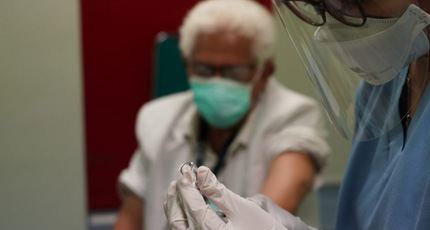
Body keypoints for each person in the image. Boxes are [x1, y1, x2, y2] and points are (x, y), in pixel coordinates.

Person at [165, 0, 430, 229]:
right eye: (318, 5)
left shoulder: (290, 115)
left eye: (350, 0)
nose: (339, 18)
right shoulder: (378, 89)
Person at [115, 0, 329, 229]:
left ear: (264, 71)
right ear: (186, 65)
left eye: (233, 71)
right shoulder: (159, 118)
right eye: (204, 69)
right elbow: (130, 219)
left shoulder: (293, 114)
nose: (217, 81)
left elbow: (282, 199)